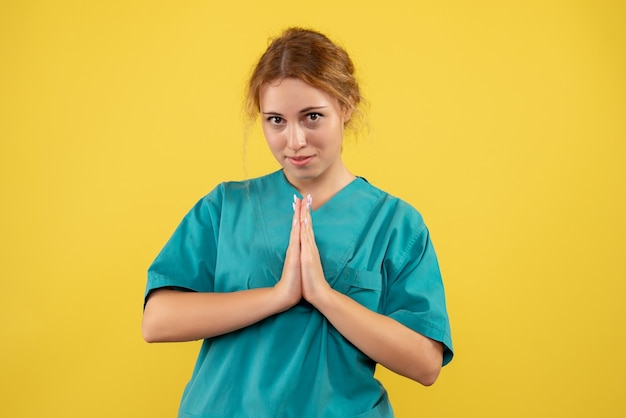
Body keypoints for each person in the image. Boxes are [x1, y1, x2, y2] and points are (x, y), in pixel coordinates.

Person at [142, 27, 453, 418]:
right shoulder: (225, 207)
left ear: (347, 105)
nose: (294, 141)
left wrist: (323, 294)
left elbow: (425, 363)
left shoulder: (395, 225)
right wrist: (279, 295)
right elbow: (157, 321)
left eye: (312, 117)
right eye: (275, 120)